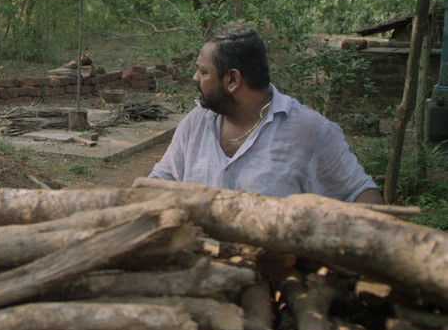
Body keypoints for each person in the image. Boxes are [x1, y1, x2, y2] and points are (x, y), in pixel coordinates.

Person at [149, 25, 383, 204]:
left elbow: (361, 195)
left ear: (232, 80)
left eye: (203, 72)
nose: (195, 78)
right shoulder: (196, 122)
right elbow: (162, 179)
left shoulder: (310, 132)